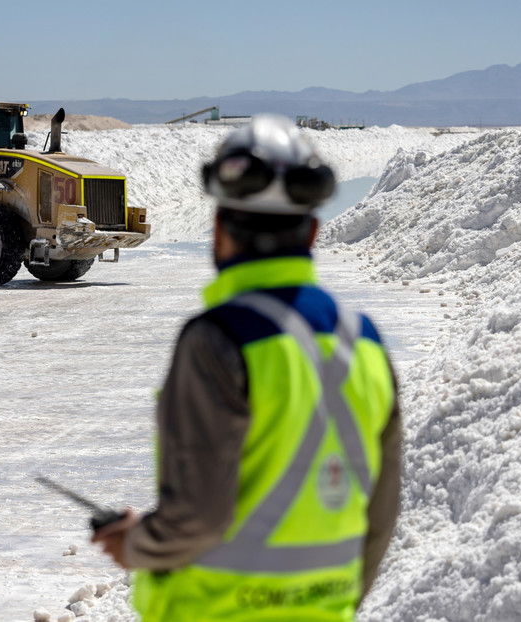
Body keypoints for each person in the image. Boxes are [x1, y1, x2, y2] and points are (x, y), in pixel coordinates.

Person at [92, 115, 402, 621]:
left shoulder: (217, 342)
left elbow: (198, 519)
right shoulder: (365, 342)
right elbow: (380, 518)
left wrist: (136, 544)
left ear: (218, 230)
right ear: (314, 231)